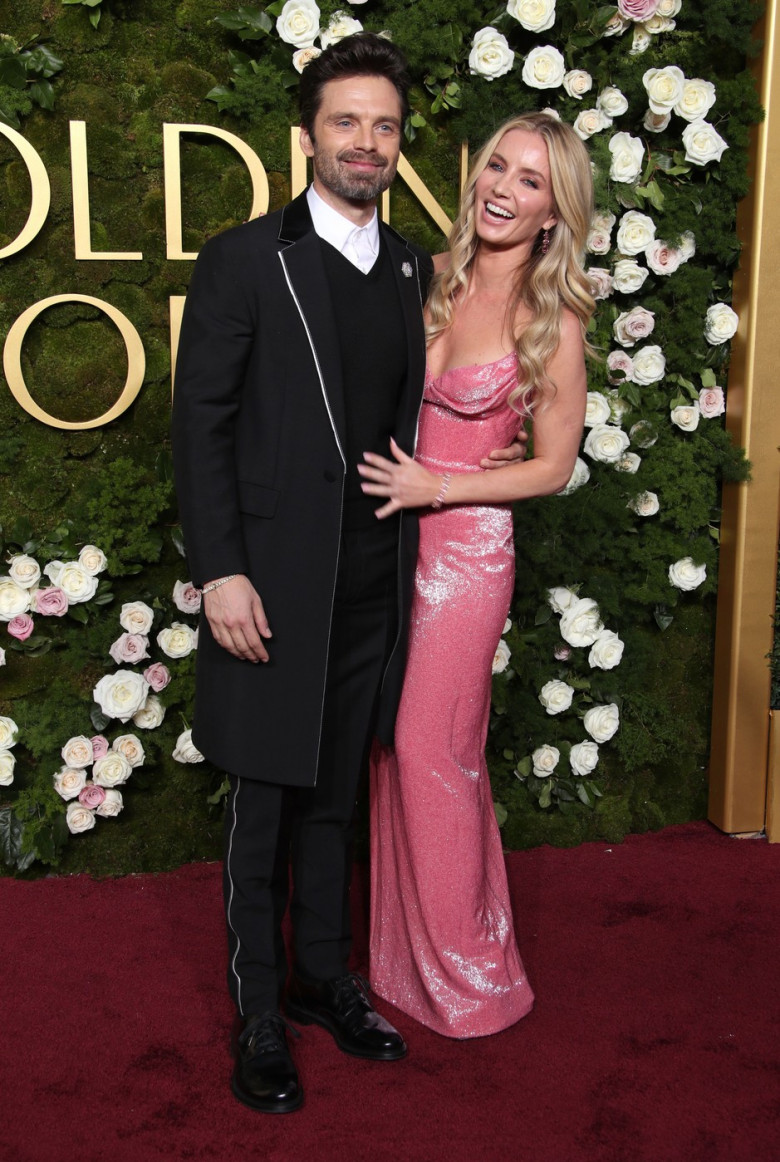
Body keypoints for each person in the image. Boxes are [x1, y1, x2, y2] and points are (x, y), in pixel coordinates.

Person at [172, 34, 524, 1113]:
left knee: (335, 798)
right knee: (268, 802)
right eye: (345, 122)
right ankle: (262, 1016)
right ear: (309, 133)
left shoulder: (417, 267)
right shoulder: (246, 259)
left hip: (381, 577)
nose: (365, 142)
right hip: (271, 582)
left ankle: (327, 979)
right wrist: (221, 572)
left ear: (397, 141)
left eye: (383, 125)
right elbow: (201, 424)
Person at [360, 112, 594, 1038]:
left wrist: (442, 481)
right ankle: (400, 963)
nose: (503, 186)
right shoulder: (428, 277)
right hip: (390, 546)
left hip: (465, 559)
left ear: (553, 211)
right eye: (498, 165)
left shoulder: (553, 317)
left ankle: (471, 976)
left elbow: (554, 464)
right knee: (389, 750)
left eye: (531, 180)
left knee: (434, 753)